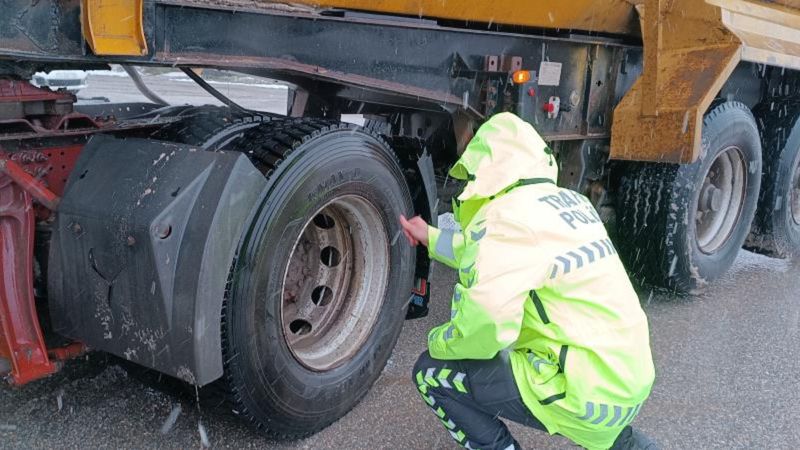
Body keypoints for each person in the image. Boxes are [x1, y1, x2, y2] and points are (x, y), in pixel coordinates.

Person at [399, 112, 656, 450]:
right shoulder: (570, 203)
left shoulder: (504, 218)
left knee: (430, 373)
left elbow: (487, 324)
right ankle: (625, 442)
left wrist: (439, 341)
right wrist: (431, 237)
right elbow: (492, 254)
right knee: (608, 431)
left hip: (582, 392)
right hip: (624, 379)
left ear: (486, 169)